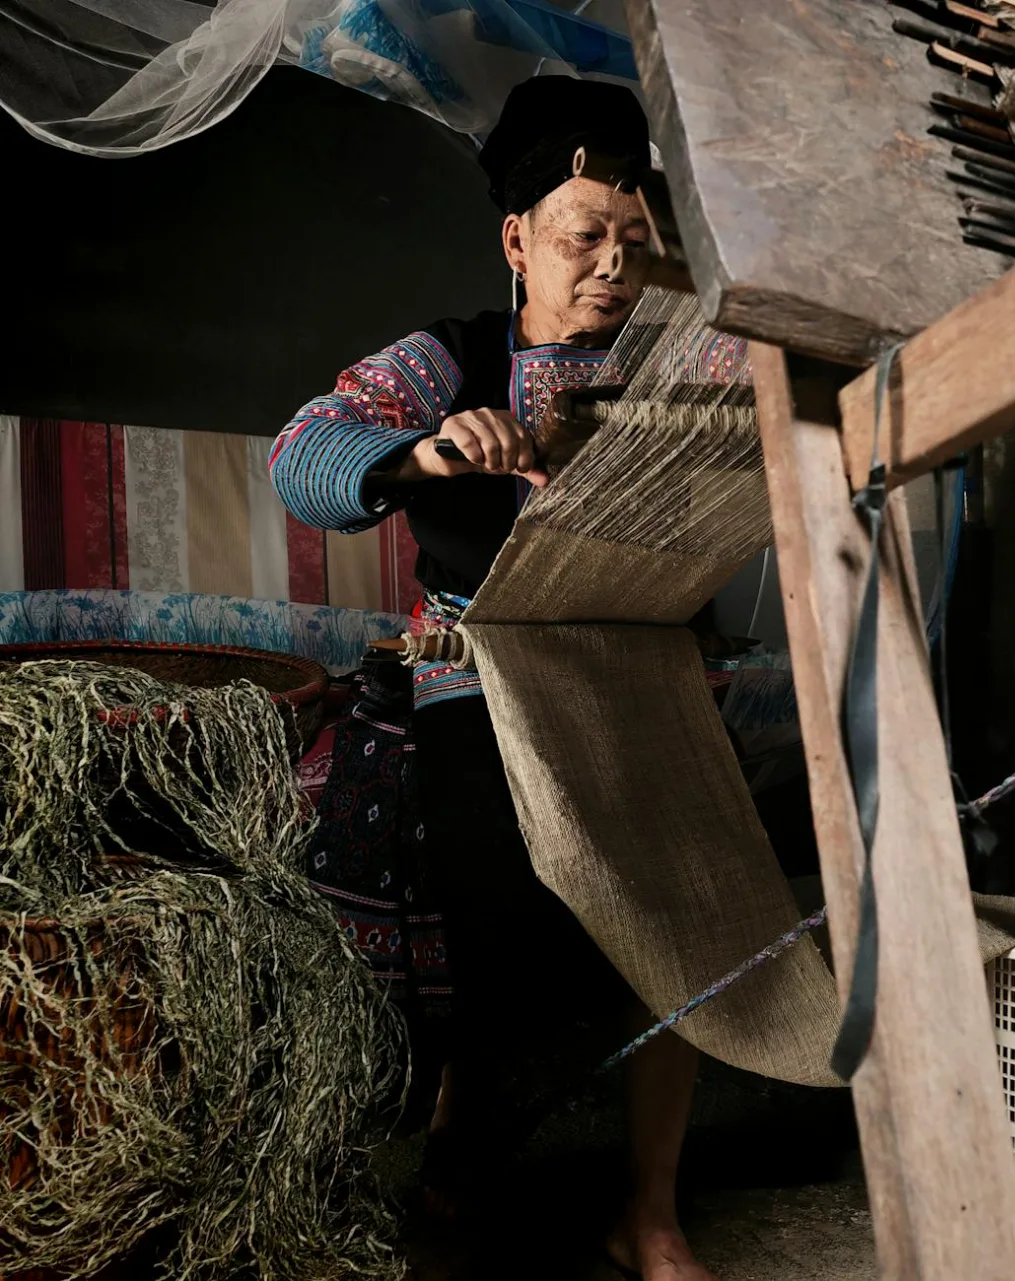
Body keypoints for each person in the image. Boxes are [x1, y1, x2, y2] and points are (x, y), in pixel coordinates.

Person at [271, 76, 720, 1281]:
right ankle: (468, 1148)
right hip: (483, 670)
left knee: (692, 902)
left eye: (634, 242)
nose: (613, 267)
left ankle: (651, 1211)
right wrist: (422, 449)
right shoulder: (453, 358)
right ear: (517, 238)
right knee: (505, 876)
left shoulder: (682, 360)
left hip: (652, 668)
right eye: (585, 236)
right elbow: (304, 458)